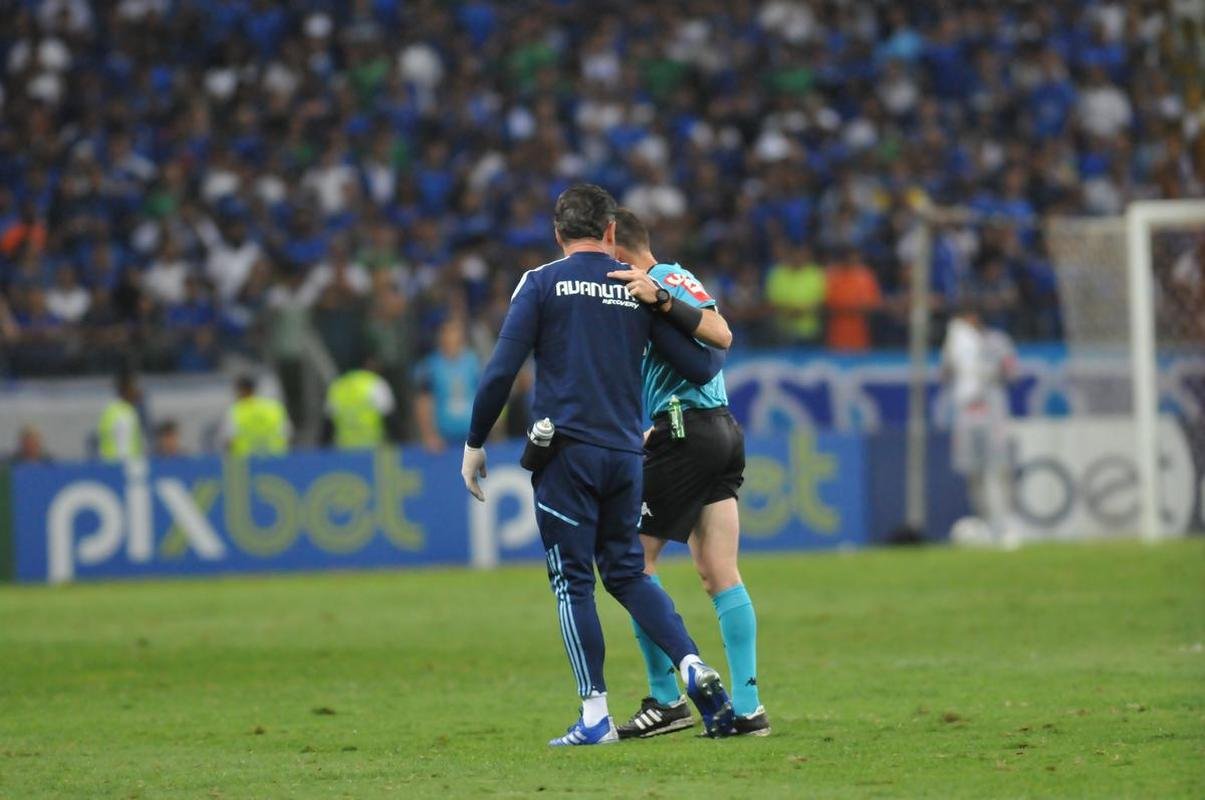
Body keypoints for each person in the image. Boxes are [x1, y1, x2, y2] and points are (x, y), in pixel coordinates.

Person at [460, 184, 735, 745]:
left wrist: (474, 442)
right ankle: (692, 665)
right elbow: (703, 367)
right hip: (627, 455)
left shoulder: (540, 283)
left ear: (557, 234)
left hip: (567, 455)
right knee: (627, 573)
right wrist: (662, 303)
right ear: (610, 231)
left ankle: (594, 716)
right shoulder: (634, 287)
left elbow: (501, 371)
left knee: (573, 583)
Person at [608, 208, 770, 738]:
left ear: (614, 246)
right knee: (718, 571)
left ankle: (666, 700)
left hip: (686, 431)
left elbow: (720, 334)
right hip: (718, 430)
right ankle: (748, 709)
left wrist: (658, 299)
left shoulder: (658, 283)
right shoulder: (672, 279)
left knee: (632, 561)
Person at [942, 305, 1018, 546]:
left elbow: (1012, 372)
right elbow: (945, 376)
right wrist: (952, 358)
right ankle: (984, 524)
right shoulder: (955, 344)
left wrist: (985, 370)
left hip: (992, 412)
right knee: (973, 472)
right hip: (966, 415)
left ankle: (1006, 525)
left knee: (999, 468)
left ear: (973, 317)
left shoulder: (997, 341)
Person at [414, 318, 478, 452]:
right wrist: (429, 435)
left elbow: (483, 397)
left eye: (455, 332)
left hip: (471, 437)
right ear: (440, 336)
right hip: (443, 440)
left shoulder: (473, 362)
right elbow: (423, 402)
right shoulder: (430, 366)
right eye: (447, 332)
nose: (451, 337)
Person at [325, 359, 396, 449]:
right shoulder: (376, 383)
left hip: (344, 449)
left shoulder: (338, 385)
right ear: (367, 363)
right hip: (373, 447)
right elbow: (390, 419)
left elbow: (328, 423)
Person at [221, 375, 290, 457]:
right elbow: (286, 434)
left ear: (242, 390)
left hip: (246, 459)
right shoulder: (274, 407)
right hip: (276, 458)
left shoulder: (236, 410)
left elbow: (229, 439)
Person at [97, 370, 144, 462]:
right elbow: (124, 449)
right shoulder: (125, 414)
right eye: (136, 387)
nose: (139, 392)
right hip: (120, 465)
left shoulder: (110, 410)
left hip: (108, 463)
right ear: (126, 389)